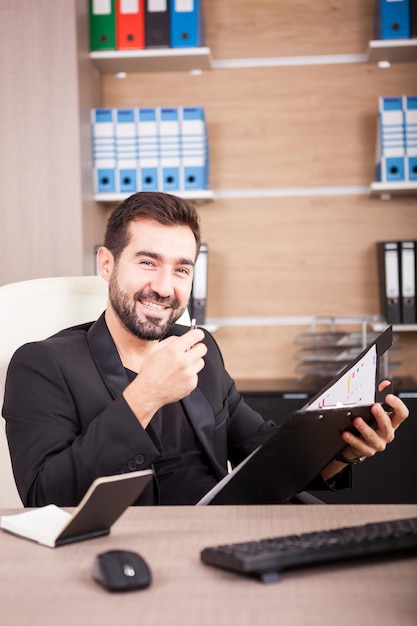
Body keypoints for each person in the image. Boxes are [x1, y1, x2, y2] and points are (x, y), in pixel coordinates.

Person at [3, 192, 409, 507]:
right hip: (130, 553)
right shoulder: (42, 364)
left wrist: (341, 448)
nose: (165, 287)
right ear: (107, 264)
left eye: (181, 269)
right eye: (148, 262)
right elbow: (44, 496)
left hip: (226, 532)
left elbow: (261, 452)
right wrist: (144, 396)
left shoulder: (200, 348)